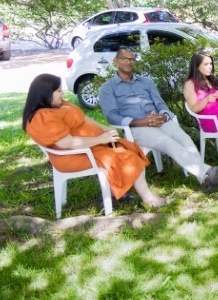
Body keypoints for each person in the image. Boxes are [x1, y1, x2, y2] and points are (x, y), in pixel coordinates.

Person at [24, 73, 166, 208]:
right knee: (127, 157)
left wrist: (104, 128)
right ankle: (149, 199)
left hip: (90, 146)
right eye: (58, 90)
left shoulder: (58, 104)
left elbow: (83, 118)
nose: (62, 93)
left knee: (128, 147)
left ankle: (115, 189)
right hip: (73, 155)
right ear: (46, 93)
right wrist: (100, 139)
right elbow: (66, 143)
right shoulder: (42, 117)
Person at [99, 47, 218, 194]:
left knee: (185, 139)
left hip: (159, 121)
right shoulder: (107, 88)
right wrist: (141, 122)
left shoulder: (146, 83)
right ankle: (207, 171)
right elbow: (112, 115)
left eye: (132, 59)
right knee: (167, 142)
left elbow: (160, 105)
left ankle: (204, 180)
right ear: (116, 60)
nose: (129, 62)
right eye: (124, 58)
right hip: (137, 127)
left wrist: (163, 116)